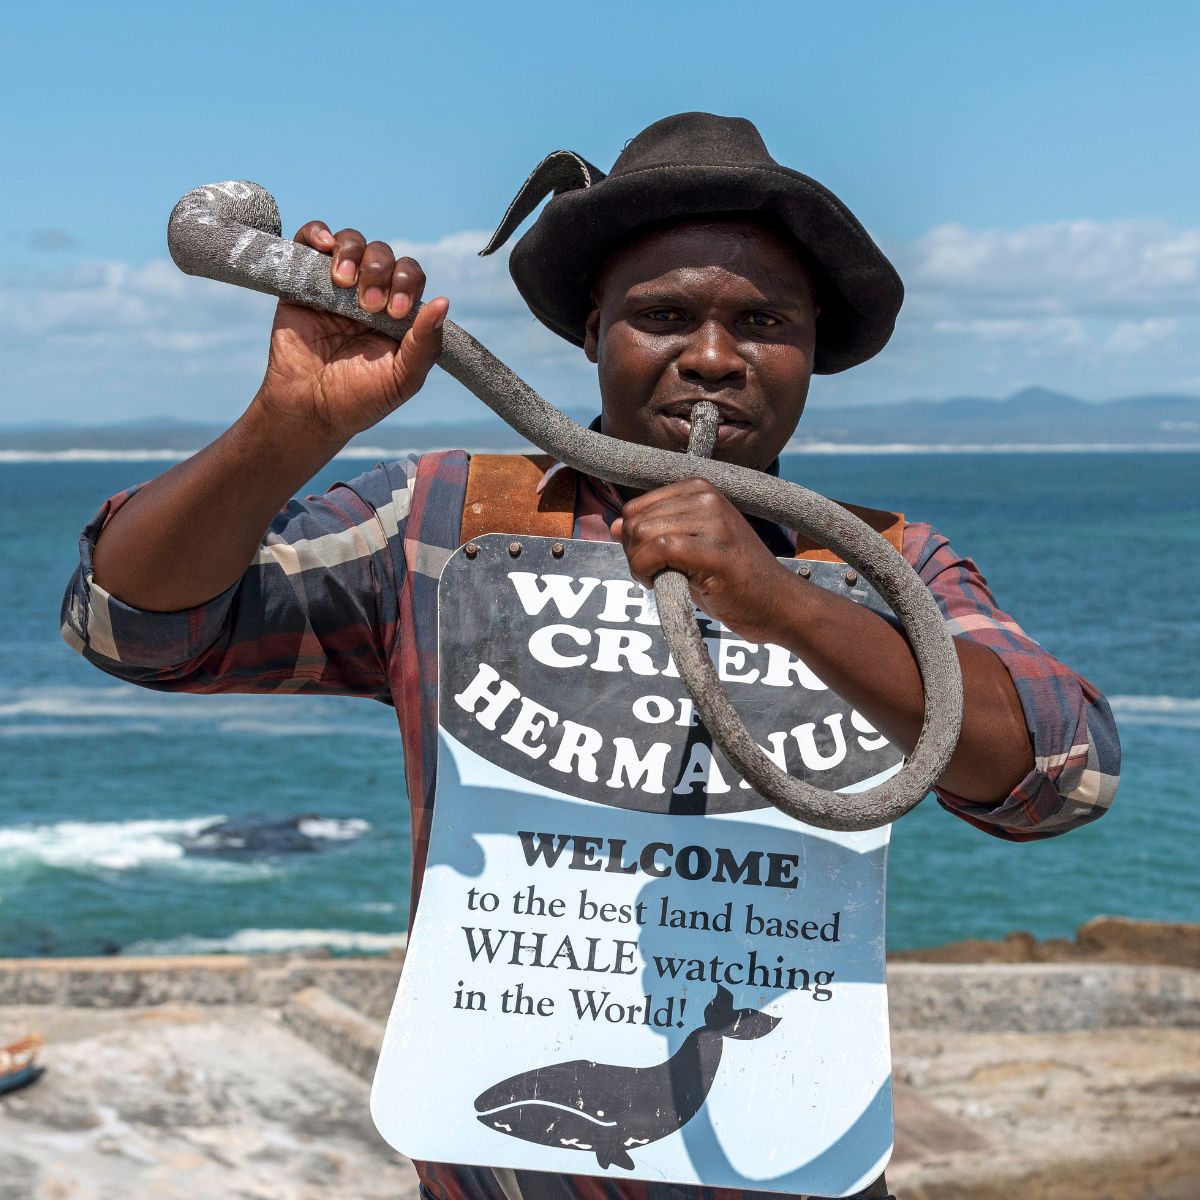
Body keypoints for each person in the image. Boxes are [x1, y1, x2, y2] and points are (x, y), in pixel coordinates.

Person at [62, 112, 1119, 1200]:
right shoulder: (442, 520)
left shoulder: (883, 564)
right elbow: (130, 622)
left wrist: (785, 604)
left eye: (764, 321)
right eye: (664, 317)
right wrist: (286, 430)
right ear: (592, 335)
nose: (714, 359)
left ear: (811, 351)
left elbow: (1060, 772)